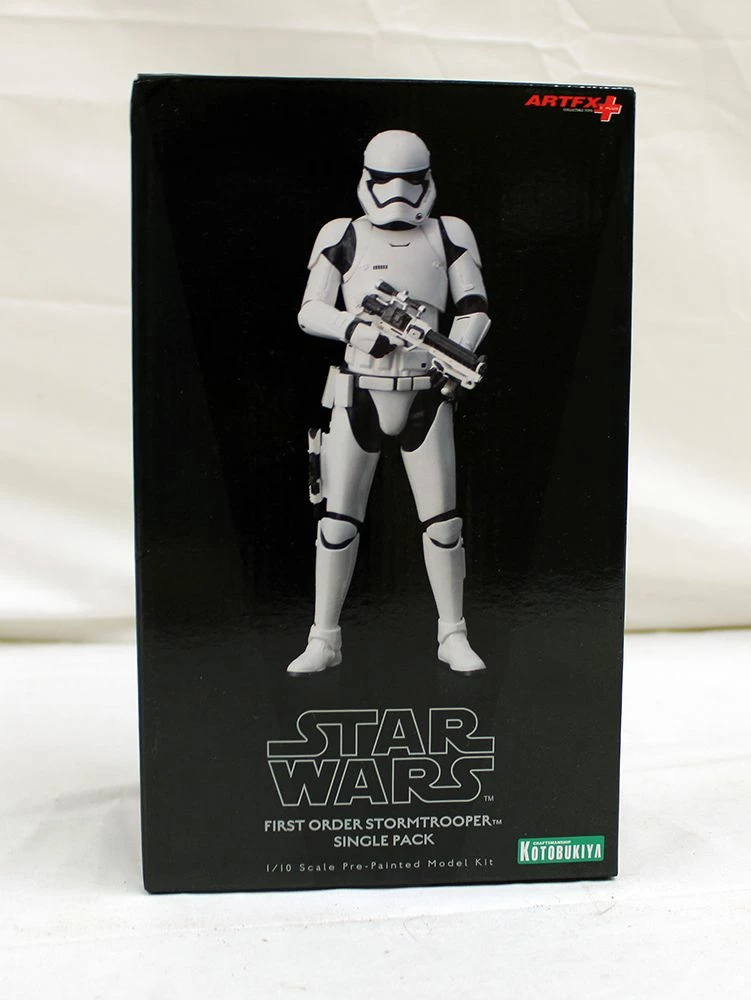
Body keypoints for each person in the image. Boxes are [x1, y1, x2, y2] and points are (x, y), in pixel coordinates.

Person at [288, 129, 490, 675]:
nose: (398, 194)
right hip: (359, 390)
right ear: (368, 179)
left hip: (426, 392)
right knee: (337, 522)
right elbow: (310, 310)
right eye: (386, 181)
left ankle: (452, 634)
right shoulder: (343, 234)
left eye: (410, 181)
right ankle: (324, 638)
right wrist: (358, 329)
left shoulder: (448, 233)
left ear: (427, 180)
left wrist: (453, 353)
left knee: (443, 523)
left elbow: (474, 307)